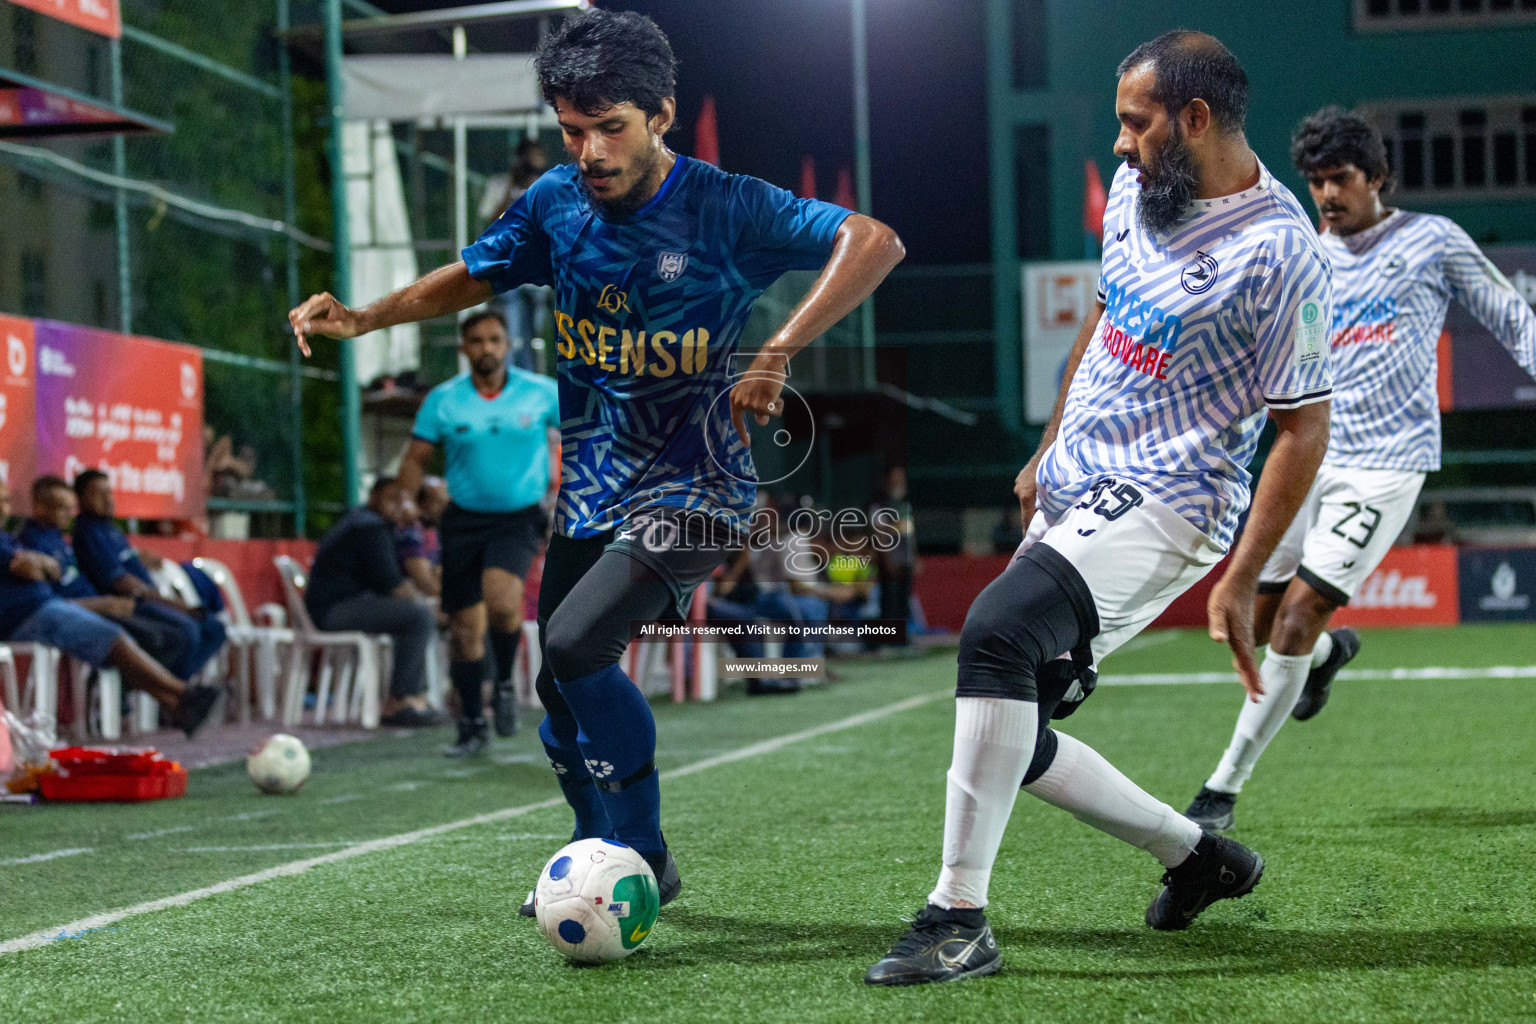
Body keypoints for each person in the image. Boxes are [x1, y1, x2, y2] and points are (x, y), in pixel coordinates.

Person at [289, 9, 902, 914]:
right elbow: (478, 270)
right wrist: (369, 317)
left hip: (701, 486)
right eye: (573, 130)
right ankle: (595, 851)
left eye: (609, 127)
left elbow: (873, 239)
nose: (590, 150)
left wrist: (778, 349)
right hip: (594, 488)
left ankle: (639, 859)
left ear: (660, 113)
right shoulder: (555, 202)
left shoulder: (725, 206)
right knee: (555, 684)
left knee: (578, 644)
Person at [866, 31, 1334, 985]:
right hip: (1081, 477)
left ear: (1194, 120)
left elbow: (1303, 429)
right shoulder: (1138, 191)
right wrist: (1047, 445)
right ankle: (1198, 857)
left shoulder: (1280, 254)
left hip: (1174, 499)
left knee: (995, 636)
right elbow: (1105, 315)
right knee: (1013, 726)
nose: (1119, 144)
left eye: (1135, 122)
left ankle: (958, 916)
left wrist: (1243, 576)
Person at [1184, 107, 1536, 832]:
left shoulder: (1432, 241)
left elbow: (1508, 313)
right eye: (1316, 182)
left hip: (1386, 465)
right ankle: (1322, 661)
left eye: (1340, 179)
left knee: (1301, 614)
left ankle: (1222, 788)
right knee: (1259, 616)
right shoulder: (1307, 256)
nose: (1327, 195)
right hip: (1308, 460)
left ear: (1377, 176)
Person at [396, 309, 560, 756]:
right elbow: (415, 459)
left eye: (494, 339)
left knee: (504, 604)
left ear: (507, 345)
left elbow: (585, 438)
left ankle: (504, 682)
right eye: (477, 341)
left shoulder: (543, 393)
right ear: (463, 349)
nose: (486, 348)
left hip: (519, 516)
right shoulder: (443, 401)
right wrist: (406, 498)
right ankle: (471, 723)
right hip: (463, 520)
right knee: (466, 629)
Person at [0, 501, 219, 738]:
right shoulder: (36, 537)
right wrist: (39, 563)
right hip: (25, 616)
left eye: (6, 500)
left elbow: (44, 569)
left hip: (49, 608)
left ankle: (176, 703)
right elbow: (29, 568)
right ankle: (182, 695)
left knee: (180, 630)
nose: (4, 507)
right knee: (113, 635)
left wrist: (40, 564)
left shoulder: (11, 538)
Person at [16, 476, 190, 678]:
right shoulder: (30, 544)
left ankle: (150, 699)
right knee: (157, 638)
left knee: (178, 633)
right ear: (39, 507)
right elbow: (50, 604)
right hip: (84, 614)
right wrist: (103, 603)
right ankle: (125, 701)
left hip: (101, 608)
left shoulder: (59, 537)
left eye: (70, 508)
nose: (69, 515)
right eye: (61, 508)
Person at [304, 478, 440, 728]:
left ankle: (413, 695)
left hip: (337, 606)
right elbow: (393, 586)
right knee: (417, 617)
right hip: (334, 610)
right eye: (392, 499)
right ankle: (401, 700)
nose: (399, 506)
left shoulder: (365, 521)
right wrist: (430, 606)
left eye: (404, 500)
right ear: (374, 497)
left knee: (415, 614)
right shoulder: (369, 528)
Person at [70, 470, 226, 682]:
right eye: (98, 493)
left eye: (109, 492)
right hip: (132, 606)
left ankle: (174, 692)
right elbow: (124, 584)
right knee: (187, 632)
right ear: (80, 498)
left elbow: (129, 563)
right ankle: (172, 696)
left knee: (214, 627)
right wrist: (174, 604)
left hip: (151, 599)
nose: (107, 499)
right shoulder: (89, 533)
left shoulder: (111, 530)